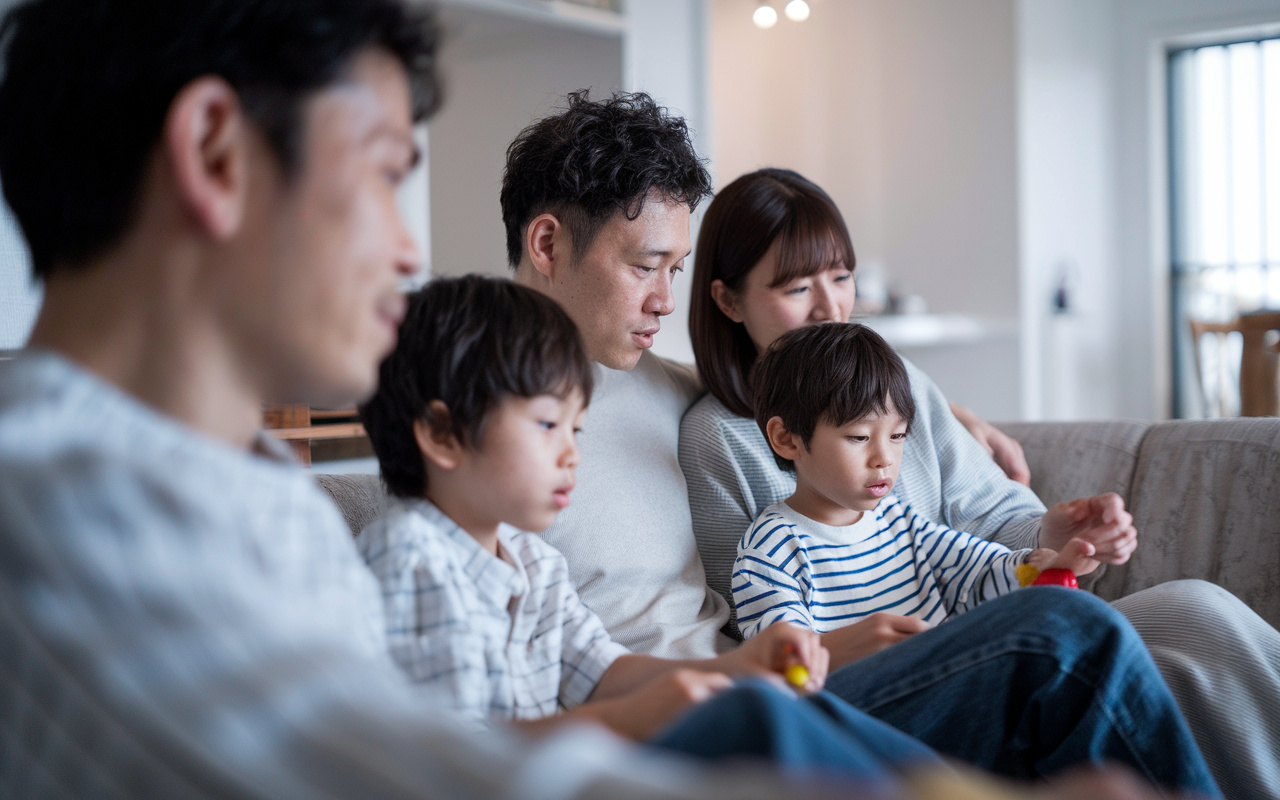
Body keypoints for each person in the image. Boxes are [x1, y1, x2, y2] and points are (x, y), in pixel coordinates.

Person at [0, 3, 958, 797]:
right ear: (215, 155)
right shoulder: (54, 495)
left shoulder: (248, 492)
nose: (410, 251)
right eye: (381, 174)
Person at [506, 91, 1219, 794]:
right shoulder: (484, 418)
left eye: (674, 271)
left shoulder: (661, 380)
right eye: (643, 266)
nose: (664, 300)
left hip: (763, 687)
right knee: (1061, 635)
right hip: (750, 712)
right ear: (547, 245)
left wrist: (937, 417)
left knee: (1194, 616)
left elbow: (782, 384)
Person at [678, 166, 1280, 800]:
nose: (830, 306)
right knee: (1068, 629)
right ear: (727, 300)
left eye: (842, 277)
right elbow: (749, 632)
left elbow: (983, 527)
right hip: (857, 687)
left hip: (971, 636)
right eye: (798, 286)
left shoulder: (895, 385)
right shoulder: (718, 439)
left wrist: (1053, 534)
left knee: (1197, 609)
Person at [354, 273, 956, 781]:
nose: (571, 456)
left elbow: (603, 671)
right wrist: (626, 720)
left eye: (576, 429)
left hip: (562, 773)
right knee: (754, 722)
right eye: (546, 426)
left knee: (758, 700)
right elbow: (452, 759)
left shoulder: (527, 558)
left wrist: (736, 668)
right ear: (440, 434)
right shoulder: (412, 560)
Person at [735, 322, 1098, 640]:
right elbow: (780, 663)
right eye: (859, 438)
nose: (885, 459)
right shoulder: (772, 549)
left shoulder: (897, 520)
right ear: (787, 438)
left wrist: (1043, 566)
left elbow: (975, 569)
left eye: (897, 436)